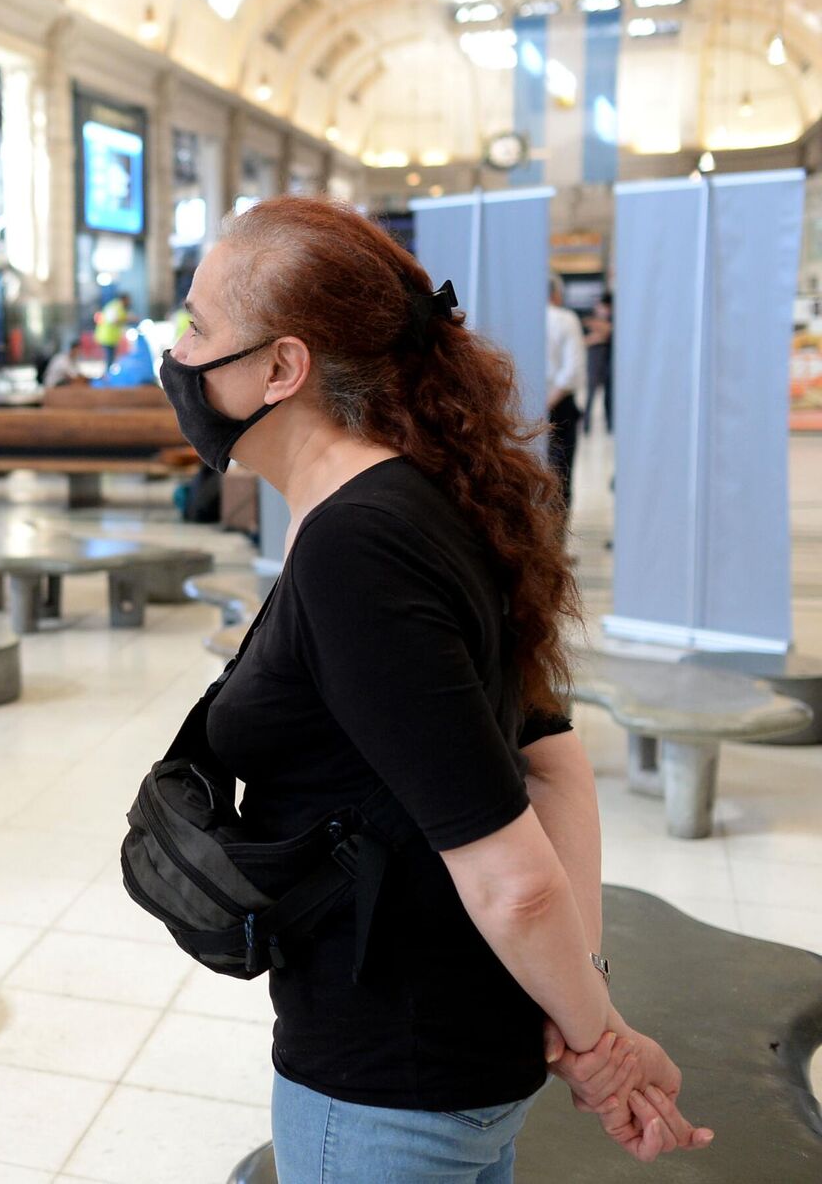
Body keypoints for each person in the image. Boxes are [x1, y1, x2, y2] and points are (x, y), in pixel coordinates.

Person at [155, 197, 710, 1182]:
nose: (178, 351)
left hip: (387, 1081)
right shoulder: (427, 496)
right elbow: (555, 765)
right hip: (464, 1052)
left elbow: (515, 876)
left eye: (199, 327)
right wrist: (579, 1002)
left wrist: (601, 1044)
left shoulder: (357, 551)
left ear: (282, 367)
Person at [546, 274, 587, 514]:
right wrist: (549, 403)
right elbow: (573, 370)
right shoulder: (565, 319)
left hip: (522, 408)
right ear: (557, 295)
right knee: (560, 479)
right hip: (559, 409)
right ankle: (556, 547)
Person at [583, 291, 613, 435]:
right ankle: (586, 425)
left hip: (606, 363)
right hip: (594, 362)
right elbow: (585, 340)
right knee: (591, 395)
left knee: (607, 396)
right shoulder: (591, 321)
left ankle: (609, 425)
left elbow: (607, 332)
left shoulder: (611, 321)